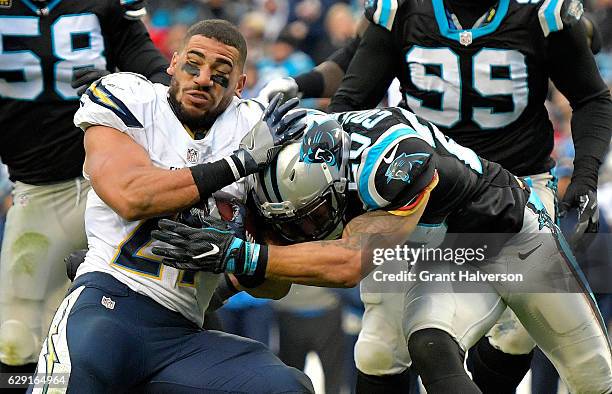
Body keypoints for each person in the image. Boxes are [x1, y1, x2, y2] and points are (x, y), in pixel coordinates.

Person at [152, 107, 612, 394]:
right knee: (413, 346)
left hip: (509, 237)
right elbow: (274, 267)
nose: (306, 230)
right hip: (436, 258)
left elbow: (351, 263)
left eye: (313, 217)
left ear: (339, 180)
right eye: (295, 220)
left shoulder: (386, 165)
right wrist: (179, 294)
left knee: (593, 375)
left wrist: (240, 256)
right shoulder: (281, 170)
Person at [321, 0, 612, 391]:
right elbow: (349, 104)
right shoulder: (401, 11)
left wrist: (585, 176)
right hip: (418, 198)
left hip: (518, 190)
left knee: (518, 334)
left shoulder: (542, 13)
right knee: (380, 346)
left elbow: (591, 97)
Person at [28, 19, 313, 393]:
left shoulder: (255, 127)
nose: (203, 78)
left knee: (285, 387)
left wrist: (237, 256)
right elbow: (131, 197)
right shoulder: (133, 100)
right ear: (173, 64)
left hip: (182, 330)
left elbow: (274, 288)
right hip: (107, 304)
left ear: (241, 85)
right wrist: (239, 163)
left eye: (221, 73)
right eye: (193, 65)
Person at [0, 0, 169, 385]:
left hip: (120, 179)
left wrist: (122, 84)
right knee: (17, 338)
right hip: (41, 189)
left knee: (161, 314)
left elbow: (154, 69)